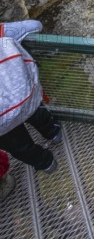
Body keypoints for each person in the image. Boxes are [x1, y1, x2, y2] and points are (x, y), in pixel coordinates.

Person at [0, 20, 61, 174]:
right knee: (36, 112)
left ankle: (47, 163)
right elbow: (36, 25)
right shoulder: (3, 31)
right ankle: (54, 133)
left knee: (19, 146)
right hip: (20, 95)